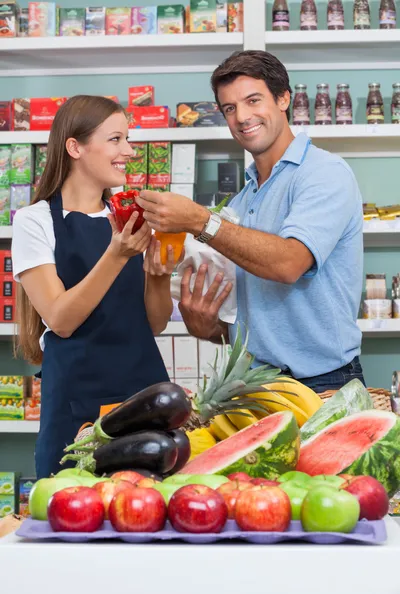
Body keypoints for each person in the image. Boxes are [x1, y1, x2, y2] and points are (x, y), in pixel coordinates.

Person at [137, 50, 366, 393]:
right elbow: (252, 321)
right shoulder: (244, 200)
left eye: (253, 100)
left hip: (325, 384)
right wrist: (209, 326)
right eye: (229, 108)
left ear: (283, 98)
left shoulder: (324, 173)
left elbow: (289, 263)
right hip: (255, 386)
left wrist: (201, 220)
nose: (242, 117)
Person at [12, 95, 176, 478]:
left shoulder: (132, 216)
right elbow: (61, 318)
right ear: (75, 147)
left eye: (128, 139)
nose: (130, 151)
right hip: (76, 402)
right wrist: (116, 255)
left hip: (143, 391)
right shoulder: (35, 221)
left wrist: (159, 274)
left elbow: (154, 323)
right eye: (116, 139)